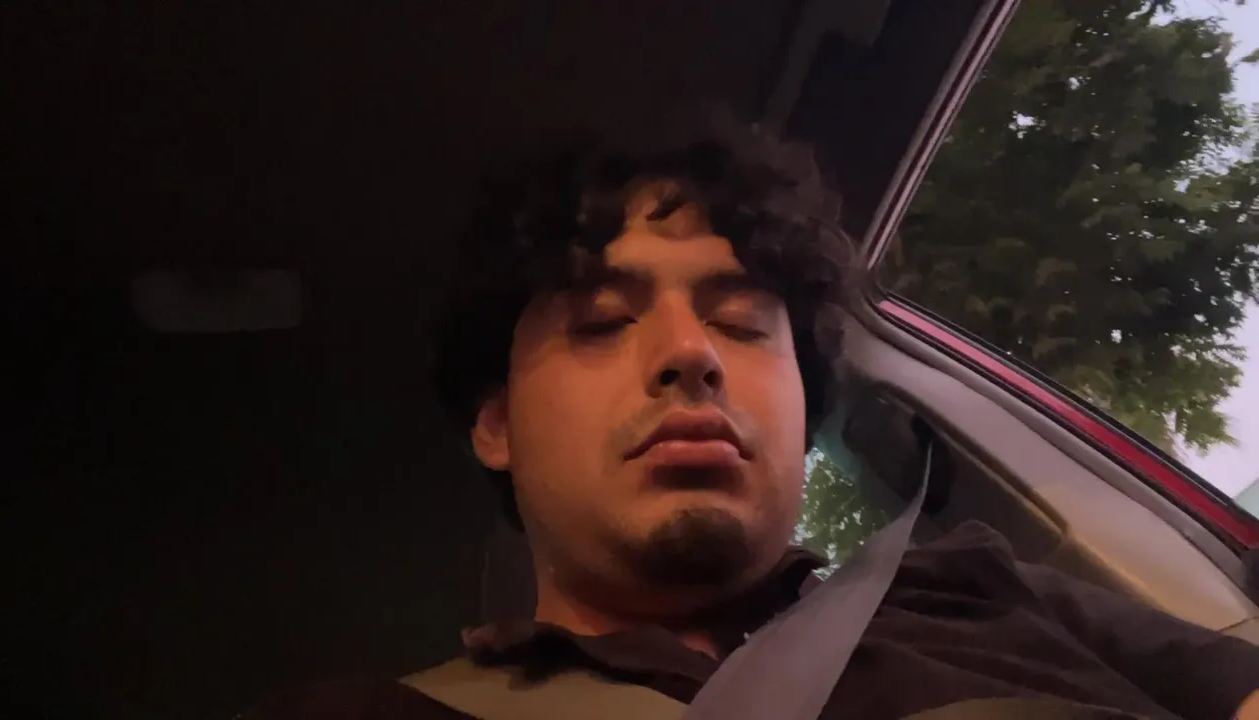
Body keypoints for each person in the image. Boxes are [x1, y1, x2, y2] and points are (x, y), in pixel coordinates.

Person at [246, 125, 1259, 720]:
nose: (692, 353)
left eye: (739, 323)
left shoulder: (986, 588)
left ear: (804, 408)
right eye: (601, 322)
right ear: (496, 425)